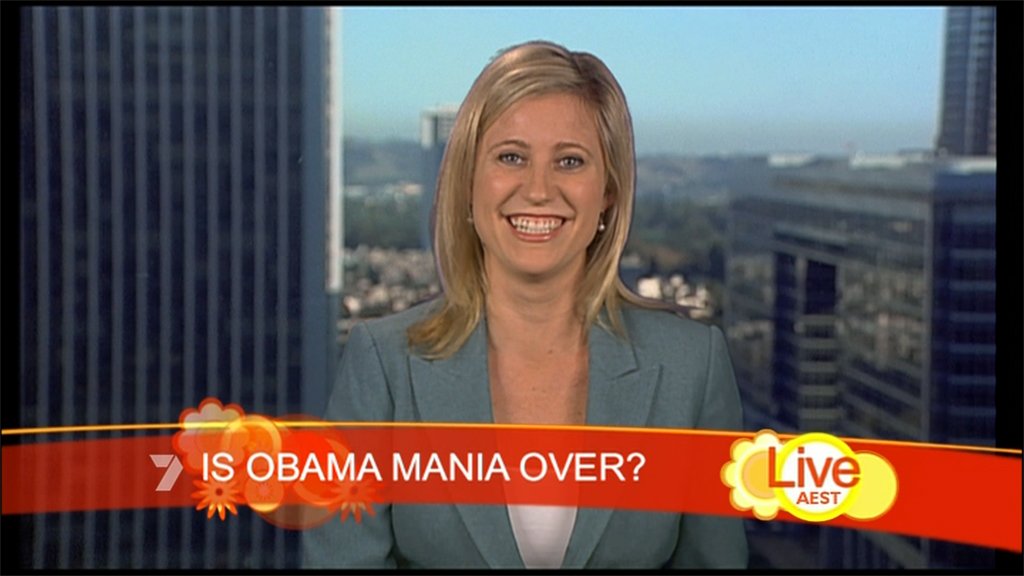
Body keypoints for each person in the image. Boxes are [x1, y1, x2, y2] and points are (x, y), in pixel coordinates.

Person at [303, 40, 747, 569]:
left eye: (570, 161)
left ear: (608, 191)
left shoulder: (691, 367)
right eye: (511, 157)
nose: (538, 190)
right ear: (469, 182)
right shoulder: (384, 365)